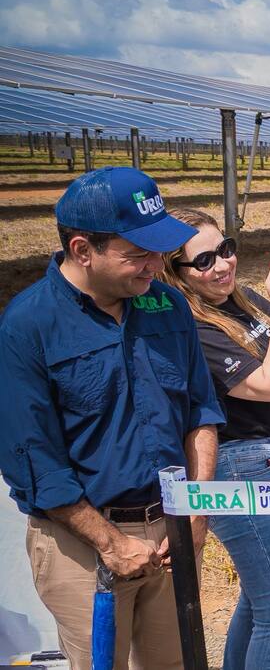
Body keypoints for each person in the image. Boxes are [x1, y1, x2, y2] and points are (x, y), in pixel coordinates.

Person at [0, 166, 224, 670]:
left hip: (172, 532)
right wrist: (110, 542)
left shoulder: (167, 305)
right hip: (81, 545)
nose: (155, 265)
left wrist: (196, 511)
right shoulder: (27, 327)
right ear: (83, 250)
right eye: (138, 253)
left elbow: (200, 414)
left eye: (160, 250)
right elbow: (35, 462)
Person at [158, 209, 270, 670]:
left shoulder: (241, 300)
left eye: (225, 249)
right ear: (177, 273)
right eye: (204, 260)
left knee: (259, 593)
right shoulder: (196, 327)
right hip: (236, 464)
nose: (223, 265)